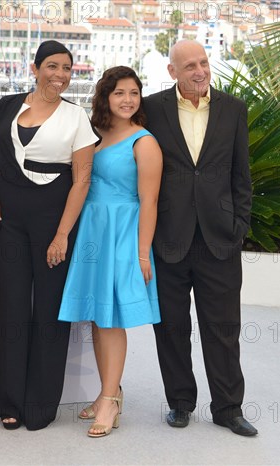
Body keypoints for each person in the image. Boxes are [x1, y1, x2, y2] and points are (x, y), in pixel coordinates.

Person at [142, 40, 257, 436]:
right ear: (173, 71)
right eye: (189, 65)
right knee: (172, 327)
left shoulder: (233, 110)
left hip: (219, 239)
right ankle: (180, 402)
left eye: (204, 63)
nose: (199, 71)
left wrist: (239, 224)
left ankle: (228, 408)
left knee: (223, 328)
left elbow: (241, 175)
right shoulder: (152, 108)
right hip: (168, 238)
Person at [0, 40, 98, 431]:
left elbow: (82, 181)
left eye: (67, 68)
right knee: (13, 304)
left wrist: (63, 235)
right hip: (8, 219)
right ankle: (10, 402)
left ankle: (42, 404)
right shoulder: (7, 107)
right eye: (52, 66)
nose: (60, 75)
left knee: (50, 308)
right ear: (34, 68)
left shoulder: (77, 117)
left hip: (54, 219)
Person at [58, 66, 163, 438]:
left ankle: (108, 400)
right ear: (106, 96)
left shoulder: (144, 142)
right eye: (120, 92)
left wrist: (142, 253)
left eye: (134, 93)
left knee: (112, 320)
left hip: (122, 234)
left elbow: (149, 202)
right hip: (92, 230)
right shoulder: (95, 133)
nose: (128, 100)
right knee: (96, 318)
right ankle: (110, 393)